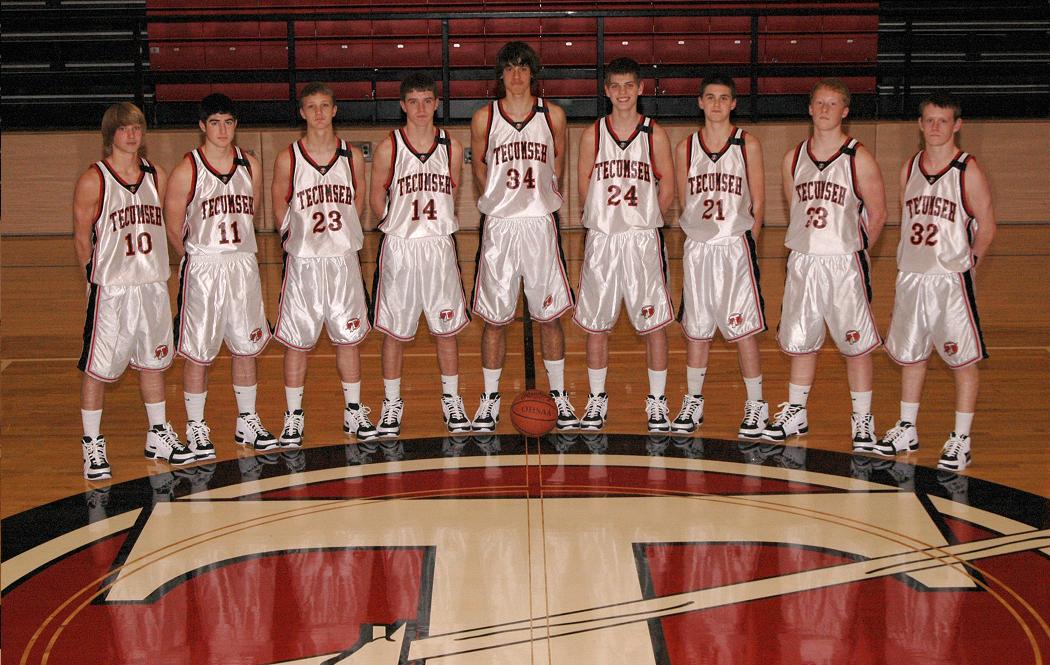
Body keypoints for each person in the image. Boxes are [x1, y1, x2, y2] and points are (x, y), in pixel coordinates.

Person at [764, 78, 887, 450]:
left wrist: (856, 252)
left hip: (843, 262)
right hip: (803, 261)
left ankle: (862, 420)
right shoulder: (793, 157)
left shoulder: (858, 156)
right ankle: (796, 413)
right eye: (819, 103)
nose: (824, 110)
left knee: (856, 345)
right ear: (810, 107)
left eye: (833, 104)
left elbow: (878, 214)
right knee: (801, 342)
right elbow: (794, 208)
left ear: (845, 111)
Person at [875, 93, 996, 470]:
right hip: (912, 276)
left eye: (943, 121)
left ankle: (961, 438)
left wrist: (969, 263)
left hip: (949, 280)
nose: (935, 127)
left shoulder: (967, 170)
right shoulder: (909, 166)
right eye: (929, 120)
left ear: (957, 125)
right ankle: (907, 427)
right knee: (912, 354)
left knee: (961, 359)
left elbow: (988, 226)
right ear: (920, 123)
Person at [74, 102, 194, 479]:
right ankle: (92, 444)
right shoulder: (94, 179)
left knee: (154, 362)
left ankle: (158, 433)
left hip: (153, 285)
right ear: (111, 135)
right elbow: (81, 239)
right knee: (98, 369)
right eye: (124, 129)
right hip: (114, 289)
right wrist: (92, 283)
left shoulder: (156, 175)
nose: (132, 134)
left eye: (137, 128)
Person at [469, 40, 578, 432]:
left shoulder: (554, 116)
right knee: (495, 320)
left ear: (533, 73)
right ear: (500, 75)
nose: (516, 75)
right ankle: (489, 399)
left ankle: (561, 396)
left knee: (549, 316)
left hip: (539, 223)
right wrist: (498, 199)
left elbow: (559, 164)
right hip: (500, 226)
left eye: (523, 68)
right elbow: (481, 170)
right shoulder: (485, 118)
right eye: (510, 68)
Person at [165, 93, 276, 456]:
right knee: (198, 352)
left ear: (236, 124)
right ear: (202, 126)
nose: (222, 129)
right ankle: (196, 426)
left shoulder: (251, 164)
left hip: (242, 263)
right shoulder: (188, 168)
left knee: (246, 347)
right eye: (215, 122)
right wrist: (195, 259)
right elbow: (172, 224)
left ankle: (247, 420)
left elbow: (254, 210)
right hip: (204, 266)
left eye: (228, 122)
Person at [270, 82, 378, 445]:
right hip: (304, 264)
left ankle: (353, 411)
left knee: (348, 339)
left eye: (324, 106)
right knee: (297, 343)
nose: (318, 113)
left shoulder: (351, 156)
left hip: (343, 260)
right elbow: (278, 212)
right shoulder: (289, 157)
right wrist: (299, 245)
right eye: (311, 106)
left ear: (335, 110)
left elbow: (359, 201)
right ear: (302, 112)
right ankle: (293, 416)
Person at [573, 57, 676, 431]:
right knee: (597, 325)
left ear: (640, 89)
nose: (622, 92)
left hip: (641, 240)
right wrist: (603, 221)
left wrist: (646, 220)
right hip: (603, 240)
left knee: (653, 326)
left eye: (628, 85)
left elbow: (669, 187)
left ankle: (658, 401)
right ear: (606, 91)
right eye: (615, 86)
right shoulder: (592, 134)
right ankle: (597, 400)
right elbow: (584, 188)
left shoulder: (654, 134)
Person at [368, 72, 471, 436]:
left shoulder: (452, 147)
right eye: (414, 101)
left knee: (446, 330)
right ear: (402, 105)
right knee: (394, 333)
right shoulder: (388, 147)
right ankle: (392, 404)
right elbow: (375, 199)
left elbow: (453, 193)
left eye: (428, 100)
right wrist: (396, 225)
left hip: (439, 246)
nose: (421, 108)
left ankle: (452, 402)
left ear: (437, 103)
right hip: (401, 247)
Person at [672, 73, 768, 437]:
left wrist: (749, 243)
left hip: (734, 247)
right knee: (696, 330)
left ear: (733, 103)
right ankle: (694, 402)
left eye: (723, 98)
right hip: (698, 248)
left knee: (744, 331)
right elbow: (685, 202)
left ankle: (756, 404)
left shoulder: (748, 144)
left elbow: (758, 203)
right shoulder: (686, 148)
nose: (716, 104)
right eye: (709, 97)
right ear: (700, 102)